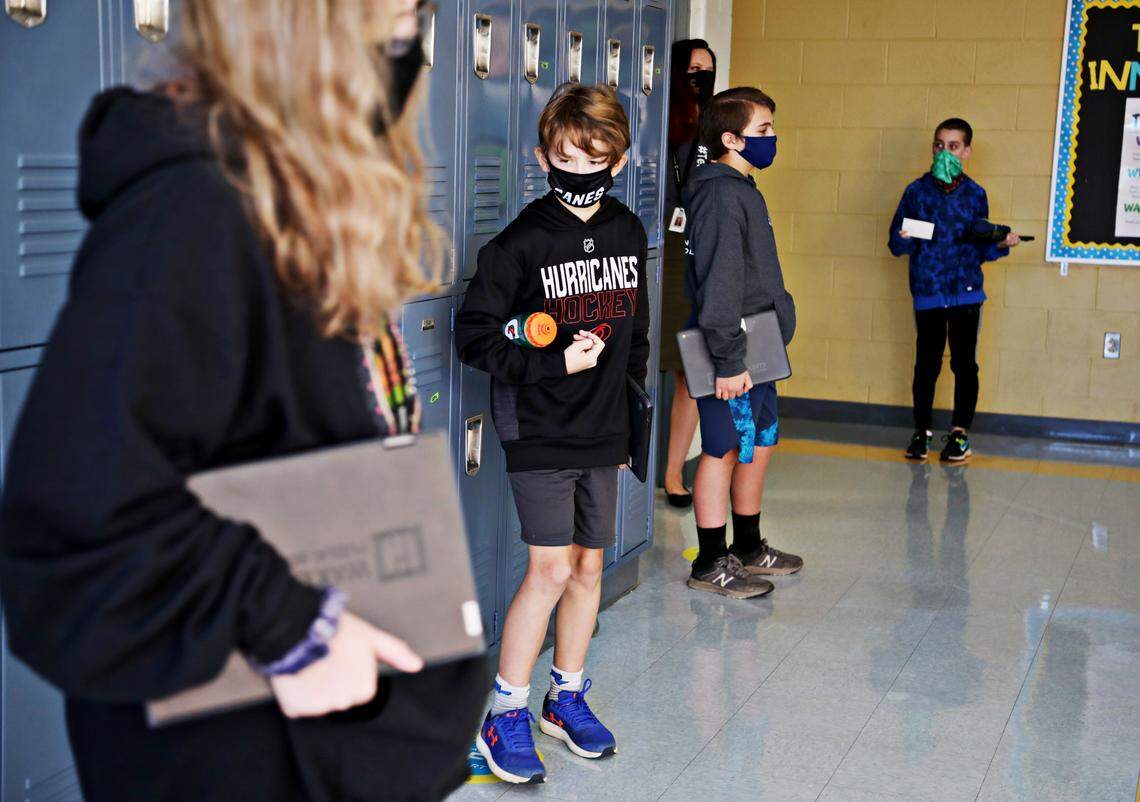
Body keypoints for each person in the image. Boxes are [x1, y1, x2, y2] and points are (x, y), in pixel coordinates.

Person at [0, 2, 487, 800]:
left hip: (326, 749)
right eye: (388, 25)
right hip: (234, 756)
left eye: (413, 24)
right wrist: (292, 629)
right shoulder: (190, 214)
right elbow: (76, 520)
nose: (405, 54)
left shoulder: (299, 208)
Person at [455, 83, 649, 784]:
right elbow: (473, 337)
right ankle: (504, 713)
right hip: (538, 426)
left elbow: (635, 336)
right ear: (543, 158)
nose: (580, 171)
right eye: (566, 157)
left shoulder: (629, 231)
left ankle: (564, 699)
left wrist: (629, 423)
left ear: (618, 162)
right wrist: (551, 363)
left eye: (596, 159)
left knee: (589, 567)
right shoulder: (520, 244)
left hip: (603, 428)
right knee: (550, 569)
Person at [683, 88, 803, 599]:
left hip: (760, 346)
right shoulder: (719, 196)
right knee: (724, 448)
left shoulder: (741, 187)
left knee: (760, 441)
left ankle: (749, 546)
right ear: (730, 139)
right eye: (763, 130)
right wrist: (729, 360)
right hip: (733, 352)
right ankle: (710, 561)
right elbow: (720, 284)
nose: (772, 138)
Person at [889, 118, 1020, 462]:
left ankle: (960, 434)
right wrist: (904, 238)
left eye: (953, 146)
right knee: (926, 365)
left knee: (964, 365)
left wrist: (1001, 244)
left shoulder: (976, 195)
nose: (944, 152)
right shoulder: (916, 192)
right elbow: (895, 243)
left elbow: (982, 247)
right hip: (929, 292)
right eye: (939, 145)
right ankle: (922, 432)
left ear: (966, 151)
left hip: (966, 293)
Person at [659, 38, 717, 508]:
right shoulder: (660, 119)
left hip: (698, 253)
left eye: (708, 69)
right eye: (694, 69)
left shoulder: (715, 125)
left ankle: (674, 472)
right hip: (661, 251)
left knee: (692, 372)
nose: (702, 77)